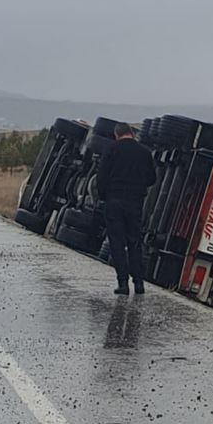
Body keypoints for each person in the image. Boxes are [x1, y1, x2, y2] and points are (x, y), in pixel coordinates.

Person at [96, 122, 157, 295]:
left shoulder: (111, 149)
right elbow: (152, 178)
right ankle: (138, 283)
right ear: (132, 134)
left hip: (114, 200)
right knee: (134, 242)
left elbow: (101, 176)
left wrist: (103, 196)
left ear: (117, 135)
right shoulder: (144, 152)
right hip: (135, 202)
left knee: (117, 243)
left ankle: (122, 283)